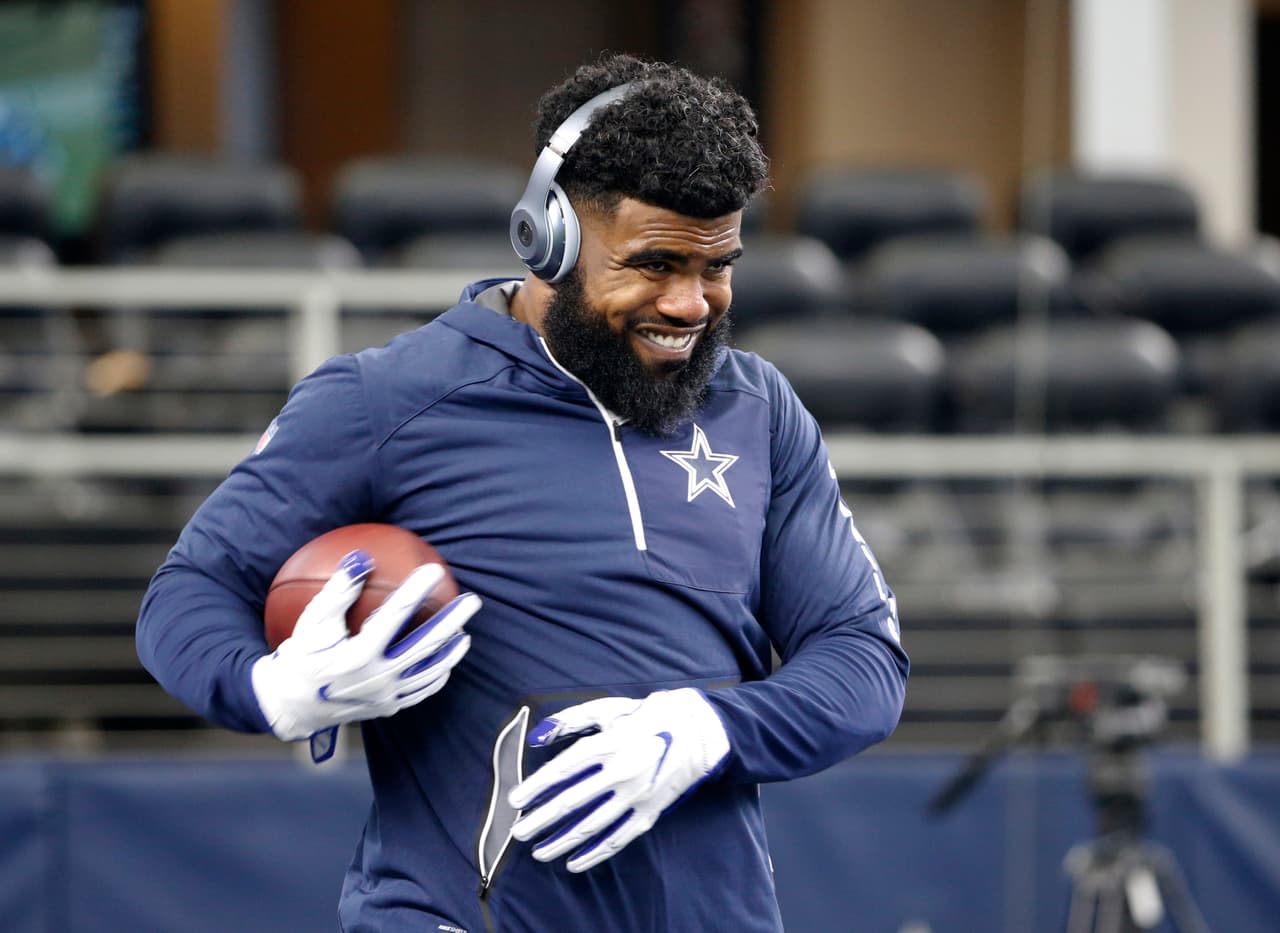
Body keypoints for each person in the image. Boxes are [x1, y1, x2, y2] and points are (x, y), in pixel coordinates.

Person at [136, 53, 908, 933]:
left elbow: (863, 663)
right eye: (655, 264)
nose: (693, 303)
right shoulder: (387, 399)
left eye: (717, 266)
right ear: (548, 235)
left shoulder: (756, 407)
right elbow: (187, 593)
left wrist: (707, 728)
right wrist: (274, 690)